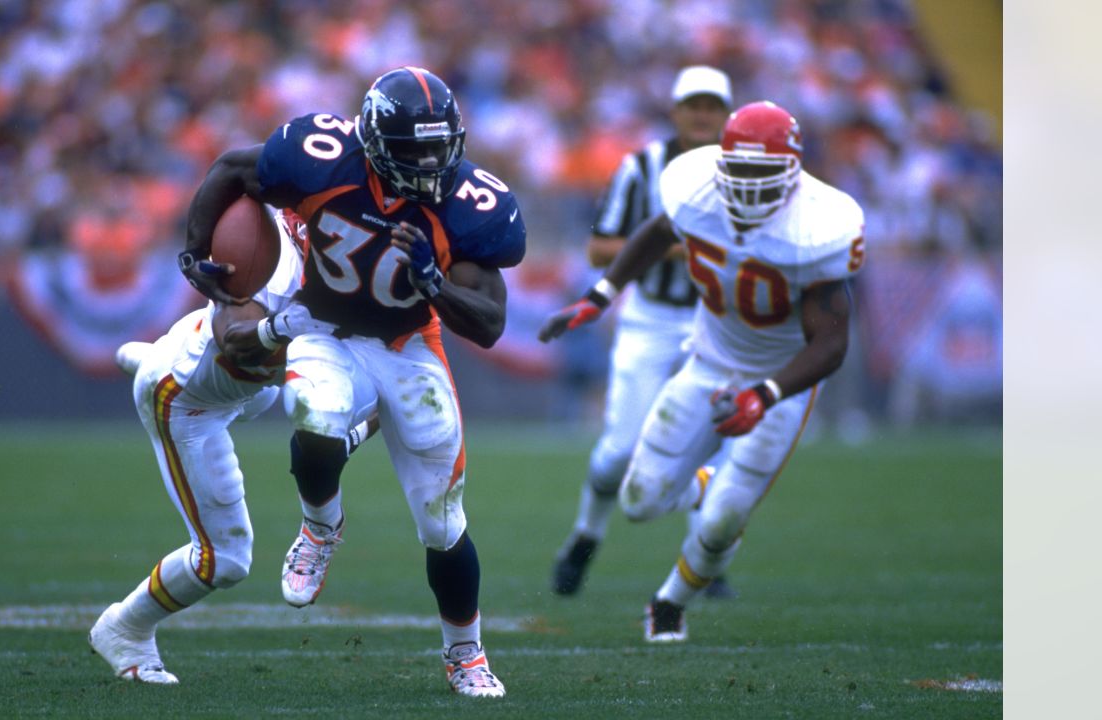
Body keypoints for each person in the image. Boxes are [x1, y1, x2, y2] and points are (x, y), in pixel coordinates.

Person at [178, 67, 525, 698]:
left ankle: (466, 653)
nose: (428, 166)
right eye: (412, 152)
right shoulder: (321, 158)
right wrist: (194, 251)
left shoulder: (471, 203)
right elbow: (232, 167)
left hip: (409, 346)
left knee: (442, 522)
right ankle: (320, 526)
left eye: (437, 149)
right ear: (372, 142)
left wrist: (436, 285)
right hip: (324, 327)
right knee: (312, 413)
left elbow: (492, 325)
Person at [539, 101, 865, 643]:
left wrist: (766, 393)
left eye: (764, 174)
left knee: (721, 523)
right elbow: (656, 232)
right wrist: (600, 295)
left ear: (792, 171)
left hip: (782, 381)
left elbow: (831, 344)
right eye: (739, 170)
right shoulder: (697, 193)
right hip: (709, 361)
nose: (748, 186)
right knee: (639, 501)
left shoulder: (818, 228)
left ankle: (669, 602)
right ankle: (708, 483)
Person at [88, 211, 378, 684]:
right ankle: (125, 627)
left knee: (277, 391)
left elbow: (389, 397)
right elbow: (236, 338)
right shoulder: (274, 258)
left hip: (240, 384)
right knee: (225, 560)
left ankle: (152, 356)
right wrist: (289, 325)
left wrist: (348, 438)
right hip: (189, 402)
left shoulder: (361, 270)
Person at [550, 66, 738, 599]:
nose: (702, 115)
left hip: (716, 323)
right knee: (619, 450)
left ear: (726, 115)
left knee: (711, 447)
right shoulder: (642, 168)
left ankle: (706, 555)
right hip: (651, 318)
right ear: (676, 111)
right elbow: (599, 247)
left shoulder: (746, 172)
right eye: (693, 105)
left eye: (712, 106)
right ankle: (586, 535)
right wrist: (677, 247)